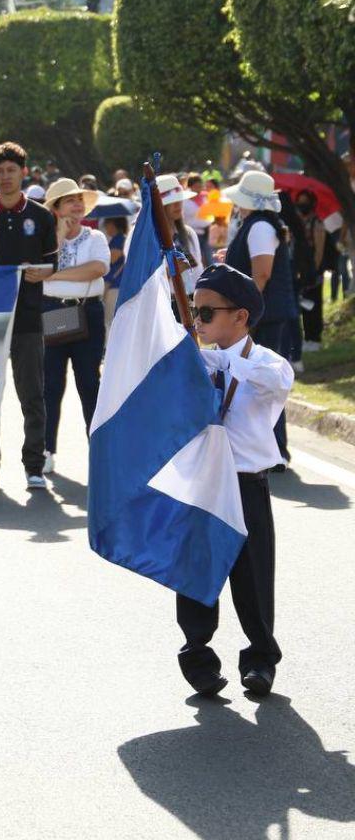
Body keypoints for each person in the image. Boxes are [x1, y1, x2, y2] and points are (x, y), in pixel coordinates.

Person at [175, 265, 292, 699]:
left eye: (206, 313)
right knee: (196, 574)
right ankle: (198, 657)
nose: (198, 321)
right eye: (193, 312)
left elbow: (270, 381)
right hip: (203, 483)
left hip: (246, 483)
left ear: (240, 317)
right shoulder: (192, 358)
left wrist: (217, 358)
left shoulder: (268, 364)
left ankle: (261, 659)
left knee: (254, 577)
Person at [0, 142, 57, 490]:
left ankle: (34, 465)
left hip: (30, 319)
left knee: (32, 395)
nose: (5, 177)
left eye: (11, 171)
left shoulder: (43, 216)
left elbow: (52, 264)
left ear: (23, 173)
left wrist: (42, 273)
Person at [216, 171, 296, 464]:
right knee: (256, 381)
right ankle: (267, 449)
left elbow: (261, 274)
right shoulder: (258, 224)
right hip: (261, 313)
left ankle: (274, 450)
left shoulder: (260, 225)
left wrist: (245, 316)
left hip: (264, 315)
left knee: (264, 382)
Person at [40, 179, 109, 475]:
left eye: (79, 200)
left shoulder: (95, 236)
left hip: (87, 311)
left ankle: (99, 449)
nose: (77, 206)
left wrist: (56, 275)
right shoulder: (45, 239)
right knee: (51, 385)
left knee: (90, 384)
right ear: (55, 208)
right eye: (69, 201)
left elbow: (97, 269)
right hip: (54, 311)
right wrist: (57, 236)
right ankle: (46, 450)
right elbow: (42, 266)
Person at [294, 190, 329, 352]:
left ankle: (315, 337)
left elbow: (320, 249)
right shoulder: (297, 221)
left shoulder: (317, 222)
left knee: (315, 304)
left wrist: (314, 270)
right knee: (304, 303)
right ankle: (306, 336)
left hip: (313, 270)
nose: (302, 205)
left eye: (305, 201)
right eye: (299, 201)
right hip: (301, 269)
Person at [101, 216, 128, 330]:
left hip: (114, 286)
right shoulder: (124, 240)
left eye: (106, 224)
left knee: (109, 322)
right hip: (123, 285)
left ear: (112, 224)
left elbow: (112, 261)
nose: (105, 228)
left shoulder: (118, 241)